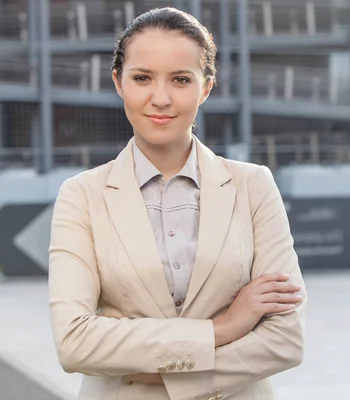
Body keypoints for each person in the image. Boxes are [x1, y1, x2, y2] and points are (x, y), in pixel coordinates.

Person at [48, 7, 305, 400]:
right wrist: (224, 328)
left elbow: (285, 340)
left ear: (206, 86)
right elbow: (75, 341)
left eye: (181, 79)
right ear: (118, 82)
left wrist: (156, 371)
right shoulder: (82, 195)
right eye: (142, 78)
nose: (161, 98)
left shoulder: (254, 186)